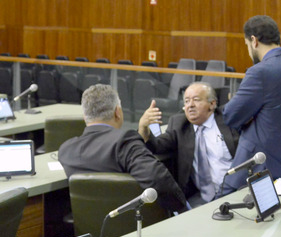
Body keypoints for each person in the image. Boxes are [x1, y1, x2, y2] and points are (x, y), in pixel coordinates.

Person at [58, 84, 187, 213]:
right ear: (117, 112)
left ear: (85, 117)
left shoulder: (65, 150)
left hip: (87, 222)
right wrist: (182, 208)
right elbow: (157, 180)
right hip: (132, 220)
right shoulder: (125, 142)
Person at [222, 15, 281, 191]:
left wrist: (247, 111)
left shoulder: (259, 72)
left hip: (255, 170)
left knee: (219, 202)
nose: (248, 50)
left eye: (246, 44)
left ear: (254, 41)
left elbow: (230, 116)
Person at [137, 82, 238, 207]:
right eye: (186, 101)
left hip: (234, 190)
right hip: (199, 198)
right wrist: (143, 128)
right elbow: (157, 146)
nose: (190, 105)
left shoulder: (227, 119)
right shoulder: (179, 124)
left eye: (196, 100)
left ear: (212, 104)